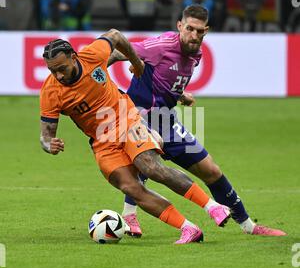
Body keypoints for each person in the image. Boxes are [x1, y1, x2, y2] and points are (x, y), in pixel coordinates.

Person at [107, 4, 287, 238]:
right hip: (137, 117)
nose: (194, 35)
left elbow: (164, 79)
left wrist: (180, 94)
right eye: (189, 29)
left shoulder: (196, 53)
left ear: (206, 31)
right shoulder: (162, 45)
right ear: (179, 26)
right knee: (147, 161)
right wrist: (96, 69)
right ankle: (130, 216)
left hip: (166, 120)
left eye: (199, 31)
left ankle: (249, 227)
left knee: (211, 171)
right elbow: (123, 50)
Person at [39, 29, 231, 245]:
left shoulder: (93, 54)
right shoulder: (50, 91)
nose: (59, 76)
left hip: (126, 118)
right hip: (101, 141)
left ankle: (213, 206)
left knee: (150, 167)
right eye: (52, 71)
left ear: (74, 57)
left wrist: (135, 61)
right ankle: (188, 228)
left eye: (62, 69)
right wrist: (49, 144)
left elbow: (116, 35)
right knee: (131, 188)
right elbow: (46, 135)